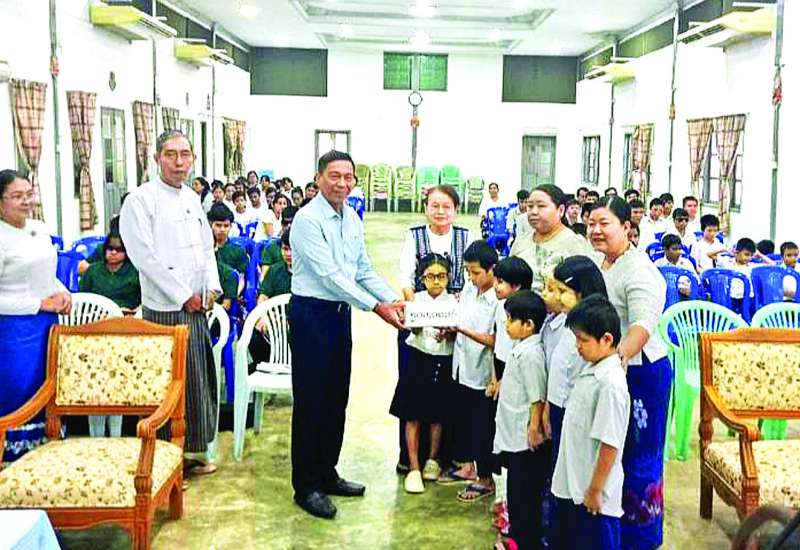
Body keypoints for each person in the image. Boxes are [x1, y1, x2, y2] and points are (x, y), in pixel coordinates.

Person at [288, 150, 404, 519]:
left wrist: (393, 299)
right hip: (311, 315)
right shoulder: (307, 220)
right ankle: (306, 486)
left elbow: (362, 269)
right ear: (319, 178)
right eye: (334, 176)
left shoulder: (351, 216)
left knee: (336, 396)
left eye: (348, 177)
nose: (342, 183)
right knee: (311, 401)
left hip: (339, 316)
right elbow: (330, 277)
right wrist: (377, 308)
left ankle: (327, 472)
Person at [119, 129, 221, 479]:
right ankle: (163, 467)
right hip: (166, 307)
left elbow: (206, 249)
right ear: (156, 159)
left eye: (185, 154)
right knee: (167, 387)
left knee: (195, 382)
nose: (179, 162)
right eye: (171, 154)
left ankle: (185, 456)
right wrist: (183, 295)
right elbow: (144, 257)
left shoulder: (193, 198)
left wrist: (212, 288)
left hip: (197, 305)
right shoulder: (140, 200)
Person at [587, 197, 670, 549]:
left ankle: (642, 538)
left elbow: (641, 326)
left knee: (639, 456)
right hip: (610, 370)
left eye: (604, 223)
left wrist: (617, 359)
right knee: (610, 451)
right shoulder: (599, 262)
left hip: (640, 372)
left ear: (626, 228)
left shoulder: (639, 270)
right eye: (591, 223)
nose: (595, 230)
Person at [396, 184, 470, 473]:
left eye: (446, 206)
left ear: (456, 210)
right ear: (425, 208)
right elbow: (405, 277)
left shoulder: (465, 237)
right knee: (414, 391)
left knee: (447, 393)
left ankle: (441, 457)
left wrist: (452, 313)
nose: (440, 211)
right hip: (418, 321)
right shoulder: (414, 236)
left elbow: (470, 280)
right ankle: (410, 458)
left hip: (453, 323)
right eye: (434, 205)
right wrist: (420, 312)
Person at [0, 169, 72, 463]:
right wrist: (40, 304)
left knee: (50, 387)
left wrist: (63, 292)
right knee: (20, 390)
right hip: (14, 331)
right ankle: (12, 461)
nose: (26, 201)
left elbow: (46, 274)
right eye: (17, 196)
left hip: (47, 327)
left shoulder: (39, 229)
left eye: (29, 194)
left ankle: (46, 459)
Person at [552, 296, 630, 550]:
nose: (578, 346)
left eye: (583, 340)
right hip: (575, 485)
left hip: (595, 498)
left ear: (606, 339)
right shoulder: (591, 369)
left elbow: (610, 443)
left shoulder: (610, 384)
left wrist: (595, 490)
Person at [437, 240, 498, 504]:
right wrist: (451, 330)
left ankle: (486, 478)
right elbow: (460, 318)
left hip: (483, 372)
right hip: (461, 366)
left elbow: (497, 341)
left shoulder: (498, 300)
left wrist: (462, 330)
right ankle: (468, 467)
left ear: (492, 269)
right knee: (464, 420)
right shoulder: (470, 289)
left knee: (483, 426)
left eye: (476, 272)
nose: (471, 277)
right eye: (468, 271)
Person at [391, 253, 456, 494]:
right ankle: (414, 466)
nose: (436, 281)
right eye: (430, 276)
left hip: (443, 362)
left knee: (437, 414)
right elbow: (408, 327)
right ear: (422, 278)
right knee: (412, 415)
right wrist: (413, 323)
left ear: (449, 277)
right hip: (417, 361)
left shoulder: (455, 303)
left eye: (442, 276)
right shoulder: (414, 302)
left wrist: (451, 332)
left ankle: (432, 459)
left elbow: (458, 332)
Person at [540, 256, 608, 489]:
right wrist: (549, 407)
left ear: (582, 293)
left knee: (576, 473)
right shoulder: (565, 323)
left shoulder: (592, 333)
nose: (557, 297)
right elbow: (558, 372)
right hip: (559, 406)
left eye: (563, 291)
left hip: (578, 412)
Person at [493, 290, 549, 550]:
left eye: (510, 320)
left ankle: (526, 542)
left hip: (524, 438)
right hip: (513, 434)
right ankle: (517, 538)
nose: (506, 325)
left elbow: (537, 396)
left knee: (525, 494)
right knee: (516, 491)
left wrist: (534, 427)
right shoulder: (520, 347)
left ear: (528, 325)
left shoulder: (532, 355)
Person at [487, 256, 533, 535]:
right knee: (499, 444)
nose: (496, 286)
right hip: (502, 372)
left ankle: (509, 507)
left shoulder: (524, 314)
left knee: (512, 452)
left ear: (516, 286)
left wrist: (504, 381)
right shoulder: (500, 308)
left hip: (514, 383)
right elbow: (497, 347)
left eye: (501, 282)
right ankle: (501, 499)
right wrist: (495, 378)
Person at [79, 231, 140, 438]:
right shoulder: (93, 272)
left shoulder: (135, 273)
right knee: (96, 378)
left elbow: (144, 302)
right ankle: (95, 434)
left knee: (118, 378)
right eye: (109, 249)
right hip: (96, 330)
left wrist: (131, 313)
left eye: (118, 250)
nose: (113, 253)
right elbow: (82, 301)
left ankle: (117, 433)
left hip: (127, 331)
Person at [510, 184, 593, 292]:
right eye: (530, 206)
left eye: (541, 206)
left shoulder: (574, 243)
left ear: (561, 210)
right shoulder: (520, 242)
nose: (534, 212)